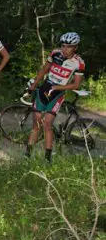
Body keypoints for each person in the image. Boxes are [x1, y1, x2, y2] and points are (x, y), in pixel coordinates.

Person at [26, 32, 85, 162]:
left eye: (69, 47)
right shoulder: (55, 53)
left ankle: (47, 157)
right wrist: (34, 85)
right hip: (45, 89)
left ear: (75, 47)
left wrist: (58, 88)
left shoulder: (78, 63)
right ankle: (27, 154)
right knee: (36, 124)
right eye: (63, 46)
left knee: (47, 124)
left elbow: (75, 84)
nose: (65, 49)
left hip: (57, 93)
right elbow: (44, 70)